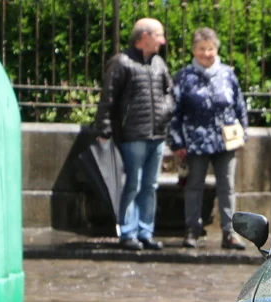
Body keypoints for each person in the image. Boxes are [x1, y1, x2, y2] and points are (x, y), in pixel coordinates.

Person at [94, 18, 173, 251]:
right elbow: (108, 97)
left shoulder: (159, 63)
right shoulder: (122, 62)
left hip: (157, 135)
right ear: (144, 36)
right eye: (158, 35)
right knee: (132, 185)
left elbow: (170, 92)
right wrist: (104, 128)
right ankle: (128, 232)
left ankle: (145, 232)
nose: (162, 41)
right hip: (132, 135)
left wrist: (165, 110)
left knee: (150, 186)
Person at [168, 28, 249, 250]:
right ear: (194, 51)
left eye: (210, 48)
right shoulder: (183, 77)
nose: (206, 53)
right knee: (194, 186)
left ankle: (230, 233)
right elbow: (174, 112)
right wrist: (177, 142)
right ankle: (192, 230)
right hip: (195, 141)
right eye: (202, 49)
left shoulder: (227, 74)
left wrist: (244, 133)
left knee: (227, 187)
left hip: (226, 140)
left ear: (216, 49)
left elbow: (239, 106)